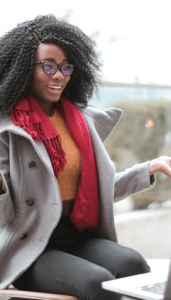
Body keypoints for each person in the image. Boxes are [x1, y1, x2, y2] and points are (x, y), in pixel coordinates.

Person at [0, 15, 171, 300]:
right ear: (22, 68)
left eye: (65, 67)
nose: (59, 75)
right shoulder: (8, 130)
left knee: (134, 264)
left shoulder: (79, 121)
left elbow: (94, 191)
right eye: (48, 66)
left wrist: (149, 169)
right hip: (31, 244)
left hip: (77, 234)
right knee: (98, 283)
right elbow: (6, 217)